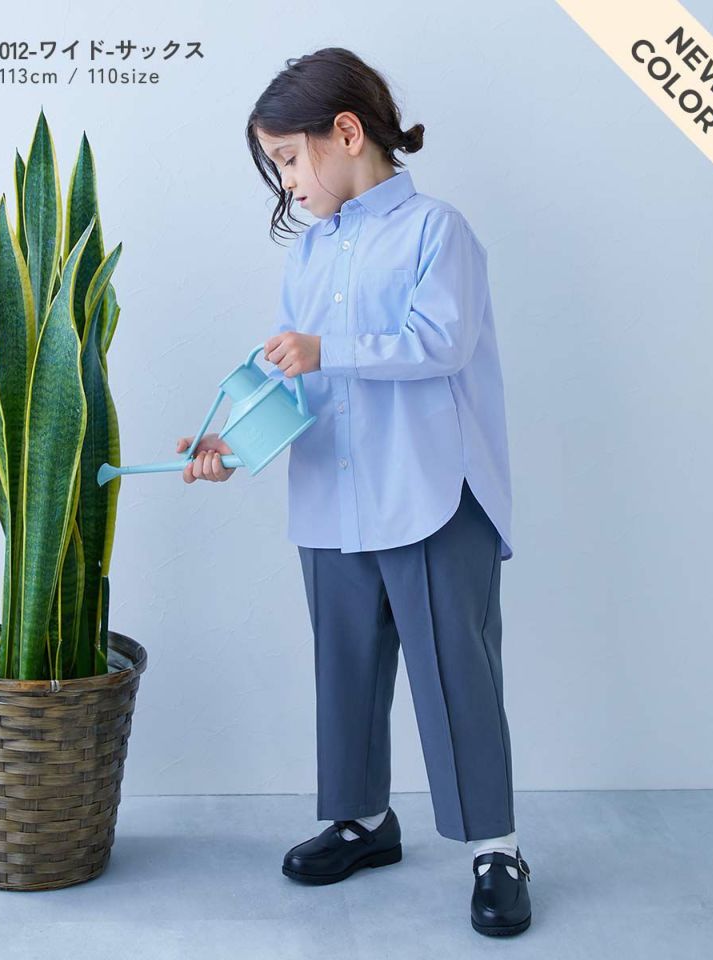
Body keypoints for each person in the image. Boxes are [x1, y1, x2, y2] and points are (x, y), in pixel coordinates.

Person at [176, 47, 531, 937]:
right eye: (276, 168)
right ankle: (362, 822)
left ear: (344, 132)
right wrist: (231, 443)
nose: (287, 183)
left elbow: (441, 343)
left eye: (288, 159)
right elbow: (292, 384)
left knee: (456, 675)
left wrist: (327, 350)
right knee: (345, 667)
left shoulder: (437, 230)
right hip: (332, 498)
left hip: (431, 492)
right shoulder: (309, 253)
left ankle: (497, 848)